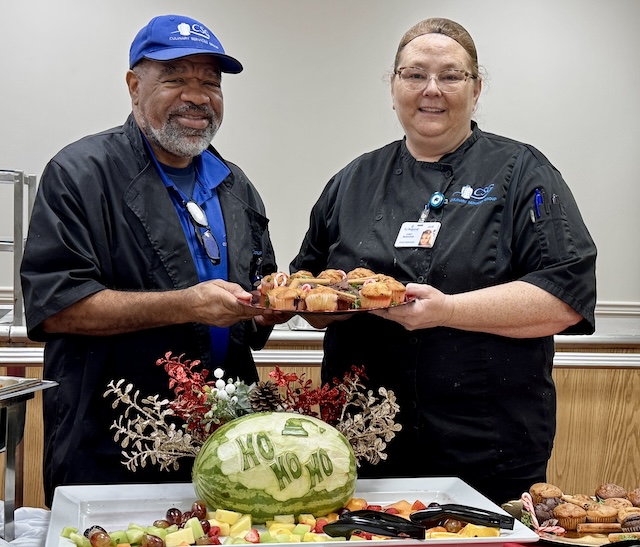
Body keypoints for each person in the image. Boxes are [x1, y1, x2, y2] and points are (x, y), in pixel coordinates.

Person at [291, 17, 597, 504]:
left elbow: (564, 297)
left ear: (476, 89)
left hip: (489, 448)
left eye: (451, 76)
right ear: (393, 87)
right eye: (414, 74)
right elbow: (308, 292)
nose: (431, 89)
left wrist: (448, 310)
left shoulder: (524, 172)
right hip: (363, 442)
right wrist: (335, 302)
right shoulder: (352, 180)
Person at [20, 14, 283, 507]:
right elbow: (57, 306)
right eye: (175, 78)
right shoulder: (81, 174)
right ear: (134, 86)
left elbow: (254, 301)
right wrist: (187, 304)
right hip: (114, 439)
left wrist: (267, 310)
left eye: (210, 82)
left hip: (227, 442)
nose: (197, 96)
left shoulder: (234, 184)